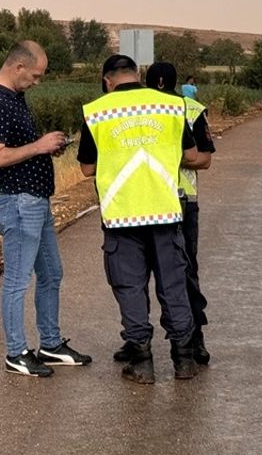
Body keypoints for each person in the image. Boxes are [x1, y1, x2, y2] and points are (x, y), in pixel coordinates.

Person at [78, 54, 207, 384]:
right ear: (138, 74)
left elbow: (88, 168)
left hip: (122, 217)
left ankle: (142, 362)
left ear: (108, 80)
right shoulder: (170, 107)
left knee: (130, 288)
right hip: (165, 211)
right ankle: (184, 360)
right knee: (173, 286)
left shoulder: (97, 112)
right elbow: (192, 156)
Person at [0, 40, 92, 377]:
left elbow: (17, 148)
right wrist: (38, 146)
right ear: (18, 67)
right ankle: (16, 352)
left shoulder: (15, 98)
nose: (37, 82)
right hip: (18, 202)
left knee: (52, 273)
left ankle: (51, 344)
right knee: (17, 280)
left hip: (36, 201)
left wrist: (44, 149)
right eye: (36, 76)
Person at [145, 62, 215, 365]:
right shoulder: (139, 109)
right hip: (145, 199)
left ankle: (194, 337)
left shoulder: (191, 110)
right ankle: (138, 340)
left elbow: (204, 159)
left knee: (185, 270)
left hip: (181, 202)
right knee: (139, 274)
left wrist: (169, 157)